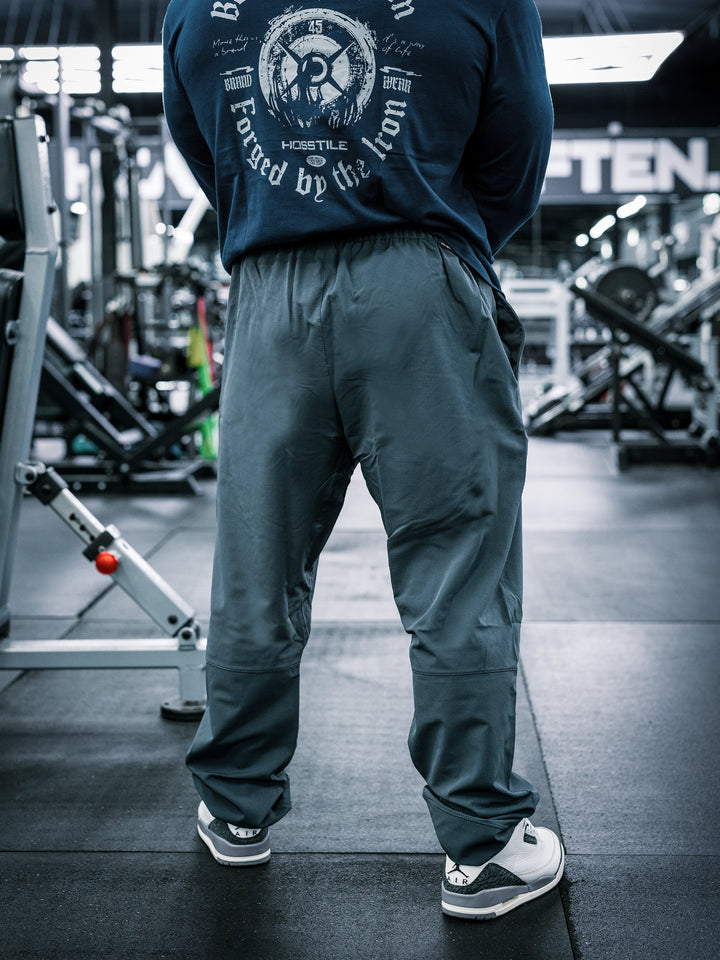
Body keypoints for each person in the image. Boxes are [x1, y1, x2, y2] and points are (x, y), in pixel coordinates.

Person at [163, 0, 562, 920]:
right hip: (421, 280)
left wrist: (288, 211)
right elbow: (518, 156)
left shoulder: (193, 2)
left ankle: (235, 810)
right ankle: (484, 847)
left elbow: (202, 145)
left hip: (270, 291)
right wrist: (434, 233)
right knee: (459, 572)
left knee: (256, 570)